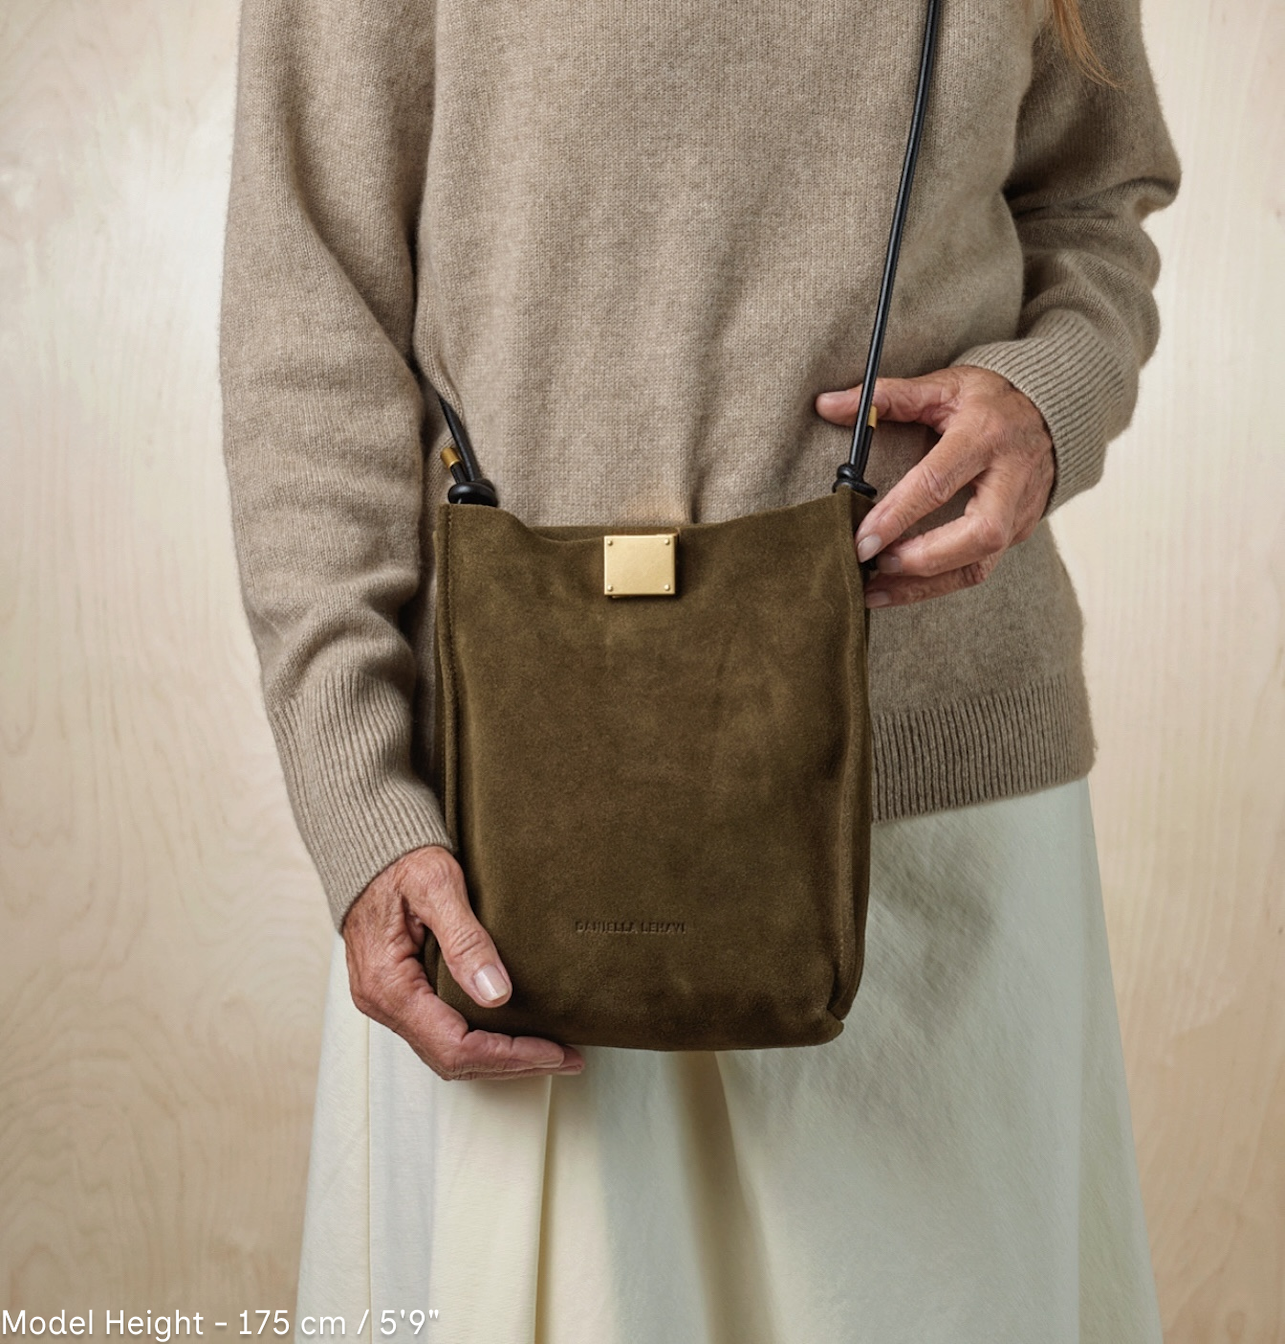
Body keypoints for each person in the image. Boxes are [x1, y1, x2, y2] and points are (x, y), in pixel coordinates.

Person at [218, 0, 1181, 1338]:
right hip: (520, 833)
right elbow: (311, 308)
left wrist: (1051, 397)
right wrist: (361, 800)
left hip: (937, 830)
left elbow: (1093, 197)